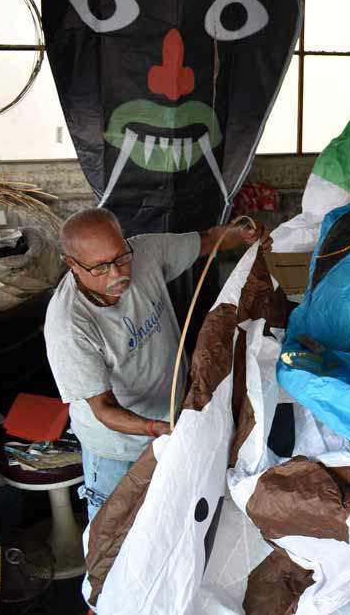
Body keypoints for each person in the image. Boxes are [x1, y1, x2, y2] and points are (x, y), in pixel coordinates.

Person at [44, 208, 258, 521]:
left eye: (120, 258)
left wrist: (244, 232)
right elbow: (103, 408)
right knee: (115, 535)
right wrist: (156, 428)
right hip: (117, 449)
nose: (117, 274)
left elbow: (210, 240)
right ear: (72, 265)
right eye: (101, 267)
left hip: (172, 423)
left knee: (172, 520)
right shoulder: (69, 325)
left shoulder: (143, 252)